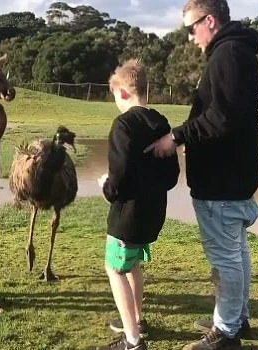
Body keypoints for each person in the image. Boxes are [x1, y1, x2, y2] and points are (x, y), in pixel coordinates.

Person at [145, 0, 258, 349]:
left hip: (222, 177)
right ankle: (235, 319)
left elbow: (221, 118)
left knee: (226, 257)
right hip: (234, 173)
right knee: (236, 251)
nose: (190, 37)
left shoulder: (228, 54)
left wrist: (176, 137)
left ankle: (226, 333)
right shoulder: (236, 51)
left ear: (209, 20)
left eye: (191, 28)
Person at [91, 59, 180, 350]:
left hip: (126, 215)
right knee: (134, 265)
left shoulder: (123, 124)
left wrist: (106, 186)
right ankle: (137, 320)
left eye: (115, 95)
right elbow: (171, 176)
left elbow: (118, 177)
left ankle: (132, 340)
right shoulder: (162, 123)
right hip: (153, 211)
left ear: (124, 93)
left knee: (114, 268)